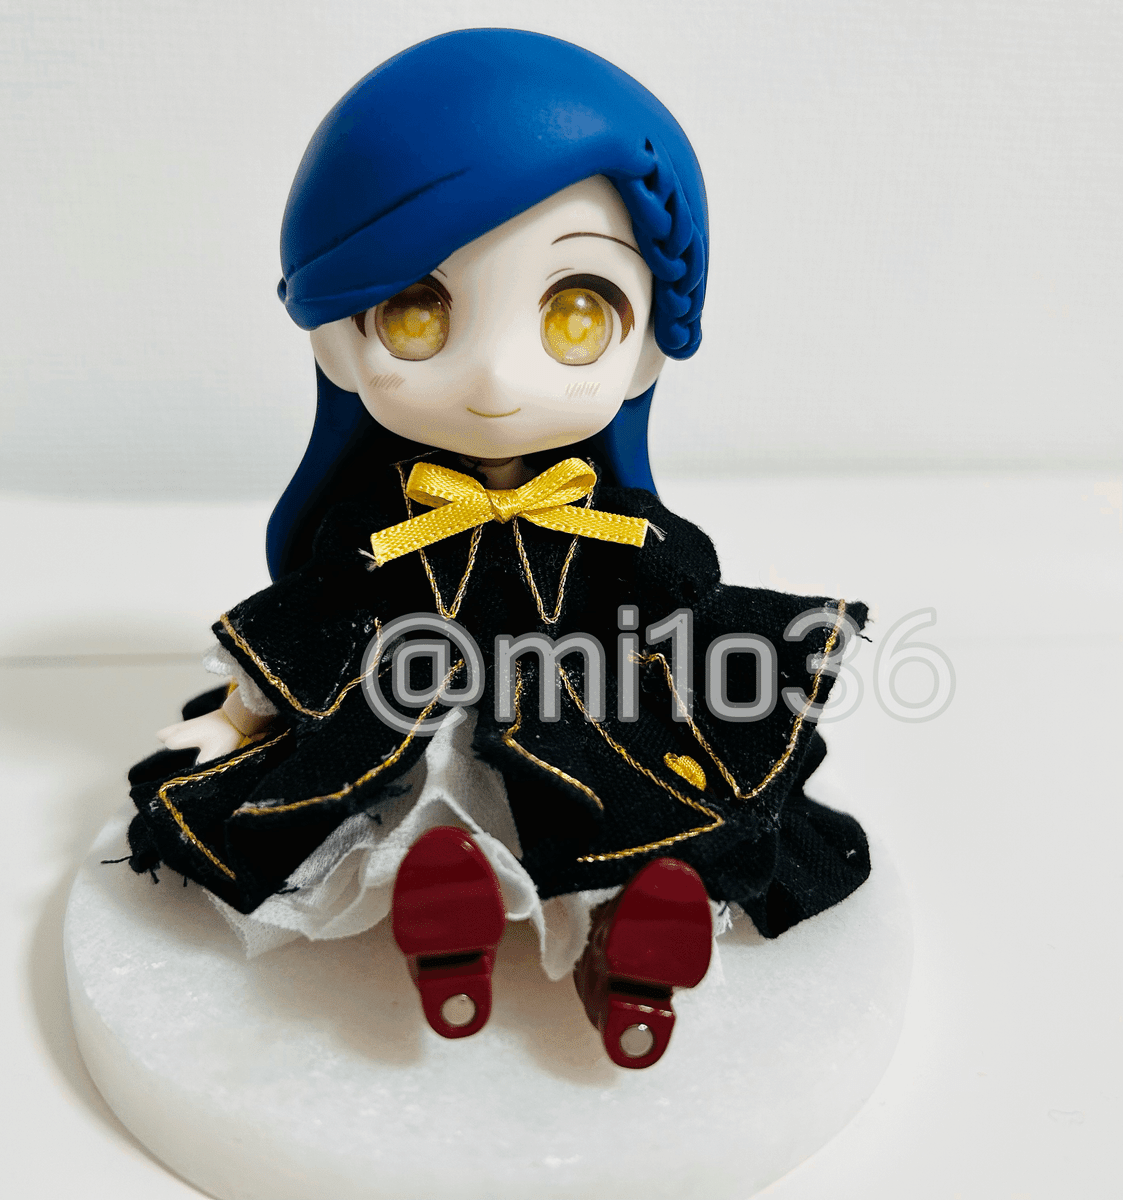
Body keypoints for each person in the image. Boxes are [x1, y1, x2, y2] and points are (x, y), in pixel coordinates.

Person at [124, 29, 871, 1070]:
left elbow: (678, 609)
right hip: (412, 708)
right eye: (418, 312)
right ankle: (449, 934)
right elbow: (319, 618)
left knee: (632, 809)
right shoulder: (384, 522)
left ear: (647, 347)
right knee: (403, 805)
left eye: (575, 315)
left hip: (589, 715)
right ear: (339, 338)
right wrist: (242, 716)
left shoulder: (613, 521)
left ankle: (631, 946)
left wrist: (725, 674)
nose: (494, 377)